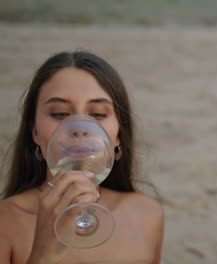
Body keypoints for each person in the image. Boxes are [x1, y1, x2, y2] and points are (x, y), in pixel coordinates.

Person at [0, 51, 164, 264]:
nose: (79, 128)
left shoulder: (148, 214)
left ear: (118, 136)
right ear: (35, 132)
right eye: (59, 113)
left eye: (97, 114)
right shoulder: (5, 221)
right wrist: (43, 255)